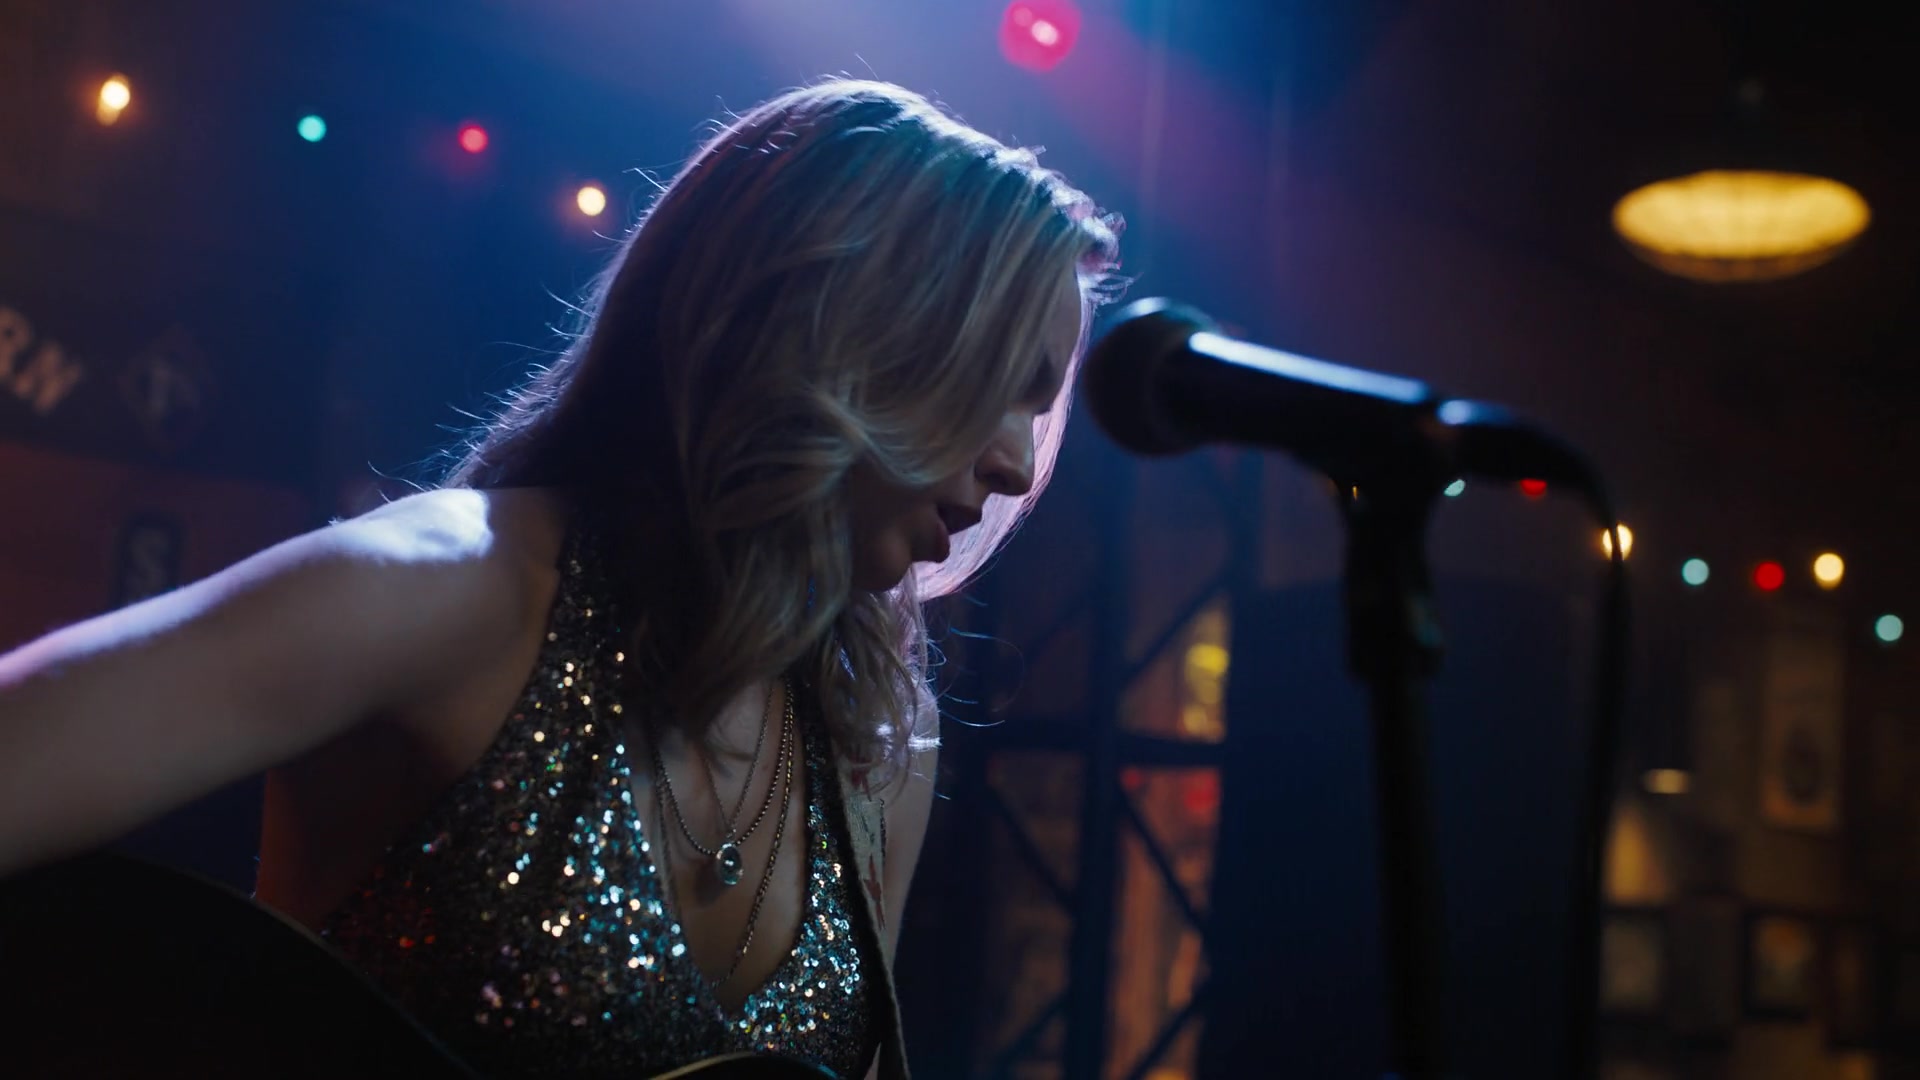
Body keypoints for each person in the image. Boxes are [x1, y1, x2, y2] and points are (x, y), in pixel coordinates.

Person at [0, 79, 1120, 1079]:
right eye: (1000, 382)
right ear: (851, 333)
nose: (1018, 464)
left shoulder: (878, 739)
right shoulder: (460, 590)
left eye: (1040, 409)